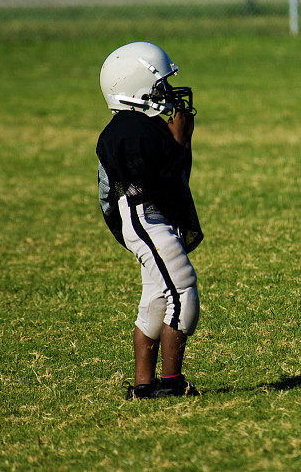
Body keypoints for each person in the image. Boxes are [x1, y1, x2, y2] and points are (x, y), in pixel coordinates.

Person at [96, 42, 203, 399]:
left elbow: (175, 177)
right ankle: (171, 384)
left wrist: (179, 144)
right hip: (145, 217)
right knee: (182, 291)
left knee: (156, 298)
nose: (168, 93)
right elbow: (155, 180)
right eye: (160, 85)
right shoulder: (126, 131)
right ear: (138, 85)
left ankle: (144, 386)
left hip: (152, 218)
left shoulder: (141, 126)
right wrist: (178, 143)